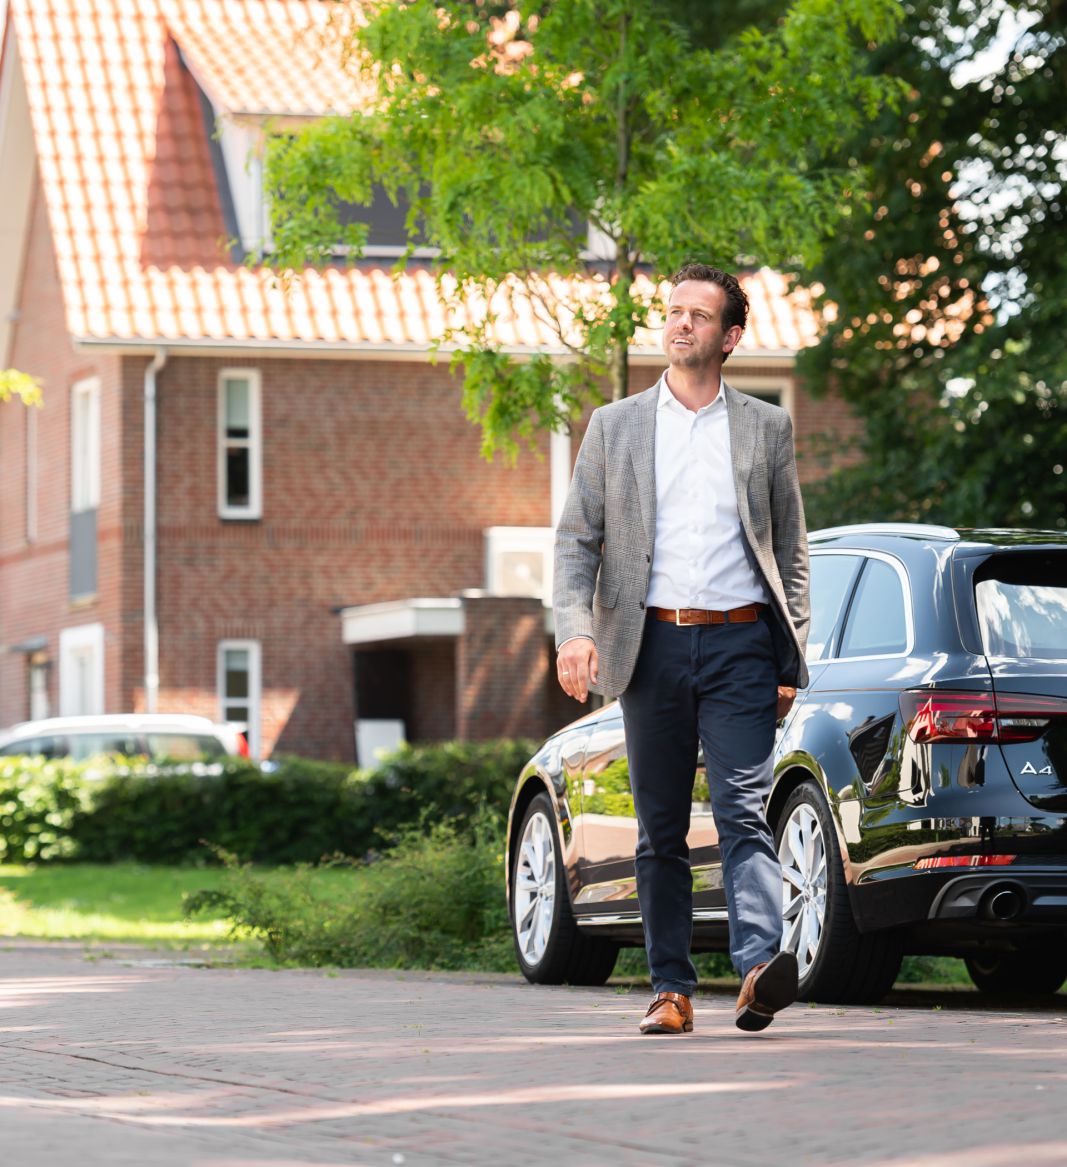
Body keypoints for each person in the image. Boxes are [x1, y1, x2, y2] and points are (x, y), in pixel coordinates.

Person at [553, 262, 810, 1035]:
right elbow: (576, 541)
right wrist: (575, 629)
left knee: (742, 811)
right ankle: (670, 988)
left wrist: (790, 657)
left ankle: (759, 967)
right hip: (650, 644)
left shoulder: (765, 427)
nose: (679, 323)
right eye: (672, 311)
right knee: (660, 827)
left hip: (741, 644)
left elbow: (790, 551)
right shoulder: (615, 425)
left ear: (728, 337)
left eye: (698, 315)